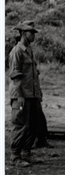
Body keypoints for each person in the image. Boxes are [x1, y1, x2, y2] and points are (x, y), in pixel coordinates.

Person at [8, 21, 44, 167]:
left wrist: (38, 94)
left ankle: (26, 153)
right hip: (21, 95)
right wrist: (20, 96)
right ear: (23, 33)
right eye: (31, 33)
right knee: (21, 125)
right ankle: (15, 156)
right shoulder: (17, 51)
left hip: (32, 94)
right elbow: (15, 75)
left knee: (34, 125)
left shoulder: (29, 50)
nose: (33, 35)